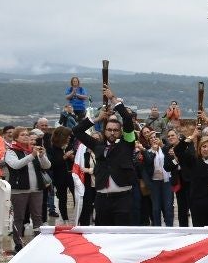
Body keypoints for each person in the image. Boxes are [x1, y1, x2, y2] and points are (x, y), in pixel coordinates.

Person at [72, 89, 137, 226]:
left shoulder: (127, 143)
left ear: (120, 132)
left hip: (123, 199)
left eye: (115, 130)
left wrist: (113, 99)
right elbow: (77, 131)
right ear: (104, 131)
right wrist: (96, 118)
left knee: (122, 233)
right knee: (102, 233)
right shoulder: (97, 145)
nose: (112, 132)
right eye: (109, 130)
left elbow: (127, 119)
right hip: (102, 199)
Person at [3, 129, 51, 251]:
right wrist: (32, 156)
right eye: (22, 135)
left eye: (27, 135)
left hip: (37, 189)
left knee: (38, 216)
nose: (26, 136)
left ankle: (38, 240)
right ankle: (18, 243)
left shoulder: (33, 150)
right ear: (16, 138)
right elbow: (16, 165)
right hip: (19, 190)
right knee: (19, 217)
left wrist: (42, 156)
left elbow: (47, 166)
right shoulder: (11, 151)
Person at [139, 127, 175, 227]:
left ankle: (169, 227)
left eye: (155, 137)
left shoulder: (165, 149)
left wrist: (161, 147)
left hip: (166, 181)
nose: (153, 139)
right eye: (151, 138)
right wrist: (153, 151)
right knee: (156, 208)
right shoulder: (147, 152)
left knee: (168, 206)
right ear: (148, 141)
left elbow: (171, 159)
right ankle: (157, 227)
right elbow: (148, 163)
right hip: (154, 182)